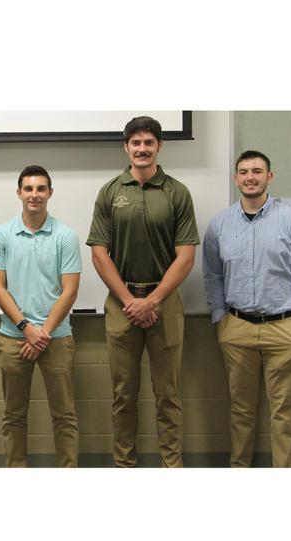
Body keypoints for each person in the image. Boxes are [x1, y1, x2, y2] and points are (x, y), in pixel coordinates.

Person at [87, 116, 200, 468]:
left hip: (164, 304)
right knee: (123, 395)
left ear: (159, 146)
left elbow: (186, 256)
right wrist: (129, 301)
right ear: (126, 147)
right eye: (135, 143)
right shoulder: (110, 192)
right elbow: (99, 253)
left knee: (168, 395)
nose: (141, 149)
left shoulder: (177, 192)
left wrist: (151, 301)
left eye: (148, 142)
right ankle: (125, 465)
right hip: (121, 304)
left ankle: (172, 466)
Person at [203, 150, 291, 467]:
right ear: (236, 178)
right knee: (241, 409)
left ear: (270, 176)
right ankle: (240, 470)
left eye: (257, 171)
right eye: (243, 171)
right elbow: (212, 276)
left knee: (284, 410)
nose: (250, 177)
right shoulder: (220, 224)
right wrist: (220, 319)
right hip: (237, 328)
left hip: (286, 328)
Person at [0, 165, 81, 467]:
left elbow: (69, 291)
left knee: (64, 415)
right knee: (14, 416)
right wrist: (27, 328)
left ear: (50, 193)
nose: (34, 195)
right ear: (19, 193)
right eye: (28, 189)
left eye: (41, 189)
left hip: (56, 338)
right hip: (14, 338)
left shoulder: (66, 235)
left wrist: (42, 334)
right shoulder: (1, 234)